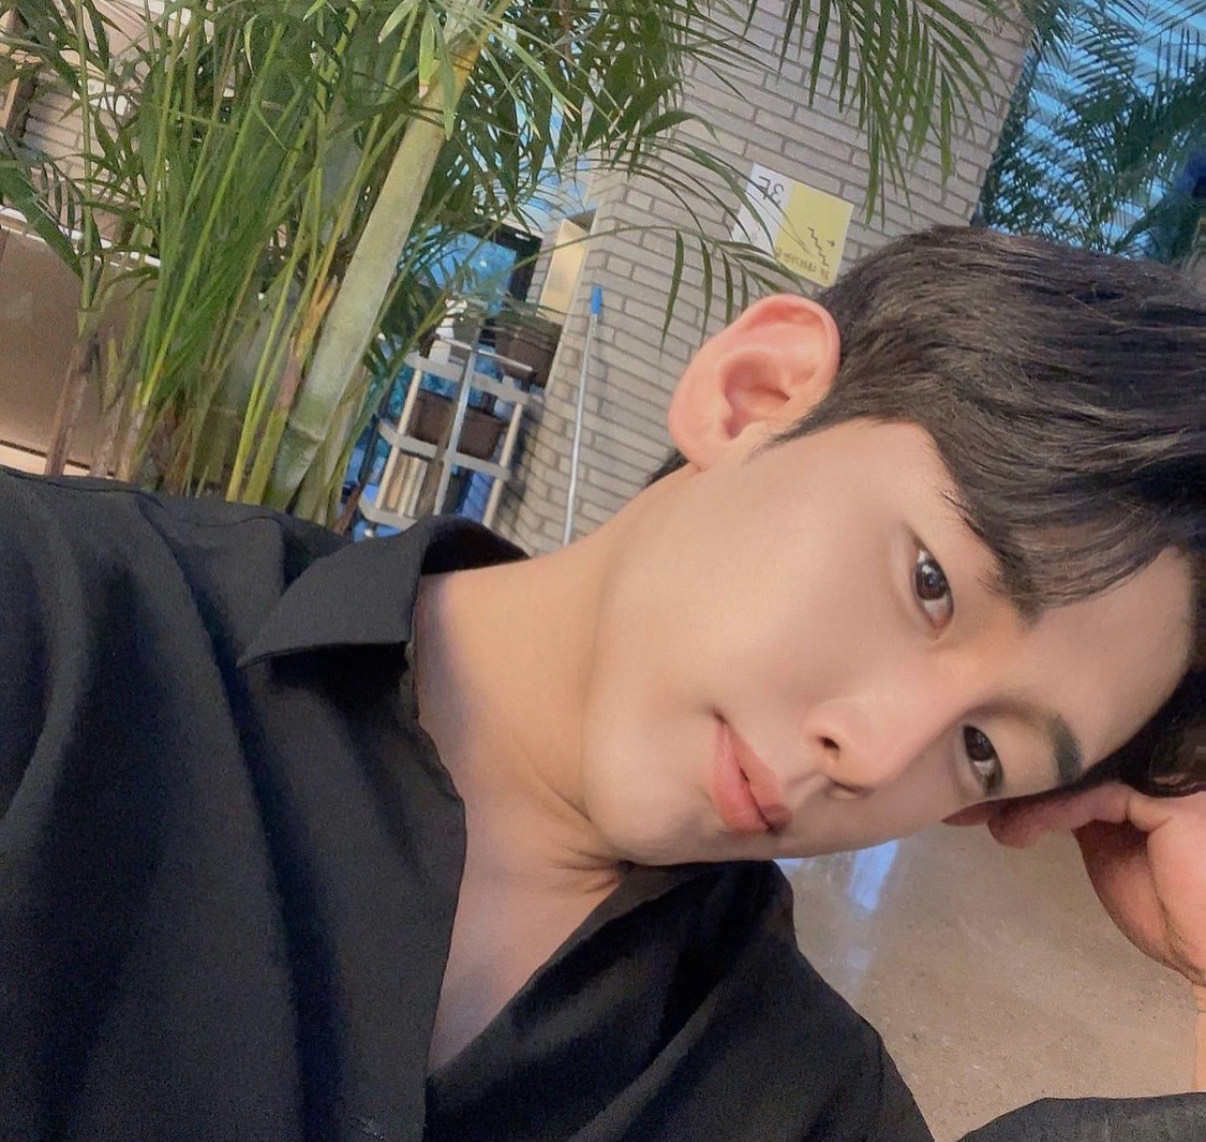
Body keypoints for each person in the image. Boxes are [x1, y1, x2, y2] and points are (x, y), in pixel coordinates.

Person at [0, 224, 1202, 1142]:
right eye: (930, 582)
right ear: (755, 392)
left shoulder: (799, 1097)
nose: (880, 753)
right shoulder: (64, 632)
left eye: (984, 750)